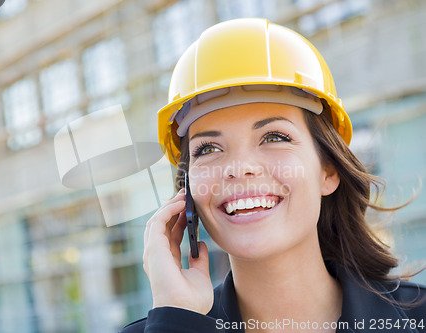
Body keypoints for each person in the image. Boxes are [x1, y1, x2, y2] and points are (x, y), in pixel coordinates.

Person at [120, 18, 426, 333]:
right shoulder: (167, 326)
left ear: (328, 169)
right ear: (186, 193)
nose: (239, 168)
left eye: (274, 137)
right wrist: (178, 322)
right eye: (208, 149)